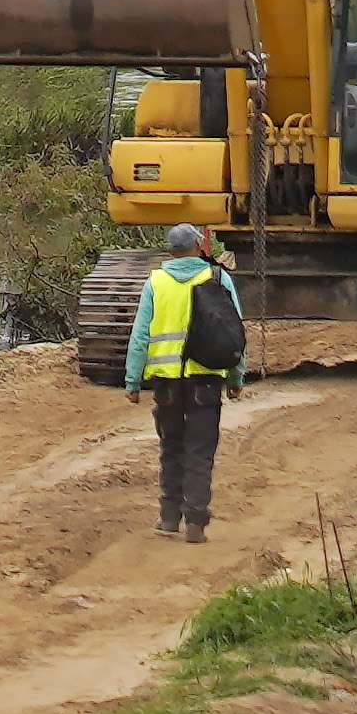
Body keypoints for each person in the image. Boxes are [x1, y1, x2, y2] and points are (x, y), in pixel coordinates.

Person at [131, 224, 241, 543]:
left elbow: (140, 336)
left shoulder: (156, 282)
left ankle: (168, 518)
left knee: (171, 448)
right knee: (200, 450)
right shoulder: (218, 278)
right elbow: (234, 334)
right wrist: (236, 377)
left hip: (167, 383)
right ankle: (195, 524)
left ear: (170, 250)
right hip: (205, 380)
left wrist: (132, 380)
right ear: (198, 245)